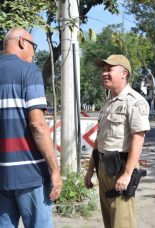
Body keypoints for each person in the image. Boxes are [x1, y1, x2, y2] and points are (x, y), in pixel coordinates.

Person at [0, 27, 62, 228]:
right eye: (34, 46)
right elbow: (37, 124)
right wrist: (54, 170)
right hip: (29, 173)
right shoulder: (29, 71)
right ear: (21, 42)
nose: (34, 52)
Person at [84, 54, 150, 228]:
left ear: (124, 73)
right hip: (104, 167)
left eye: (109, 69)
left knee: (122, 223)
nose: (104, 73)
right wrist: (90, 169)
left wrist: (127, 174)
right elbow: (99, 140)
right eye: (103, 70)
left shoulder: (135, 102)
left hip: (121, 169)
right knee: (110, 222)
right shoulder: (108, 104)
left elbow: (138, 138)